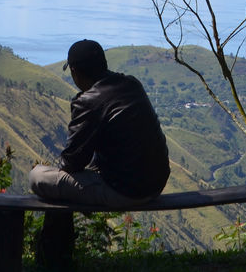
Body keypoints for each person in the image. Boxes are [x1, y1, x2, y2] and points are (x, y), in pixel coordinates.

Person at [29, 39, 170, 206]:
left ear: (74, 72)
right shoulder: (132, 84)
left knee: (38, 176)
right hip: (156, 184)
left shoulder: (88, 102)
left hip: (127, 192)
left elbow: (72, 163)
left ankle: (59, 232)